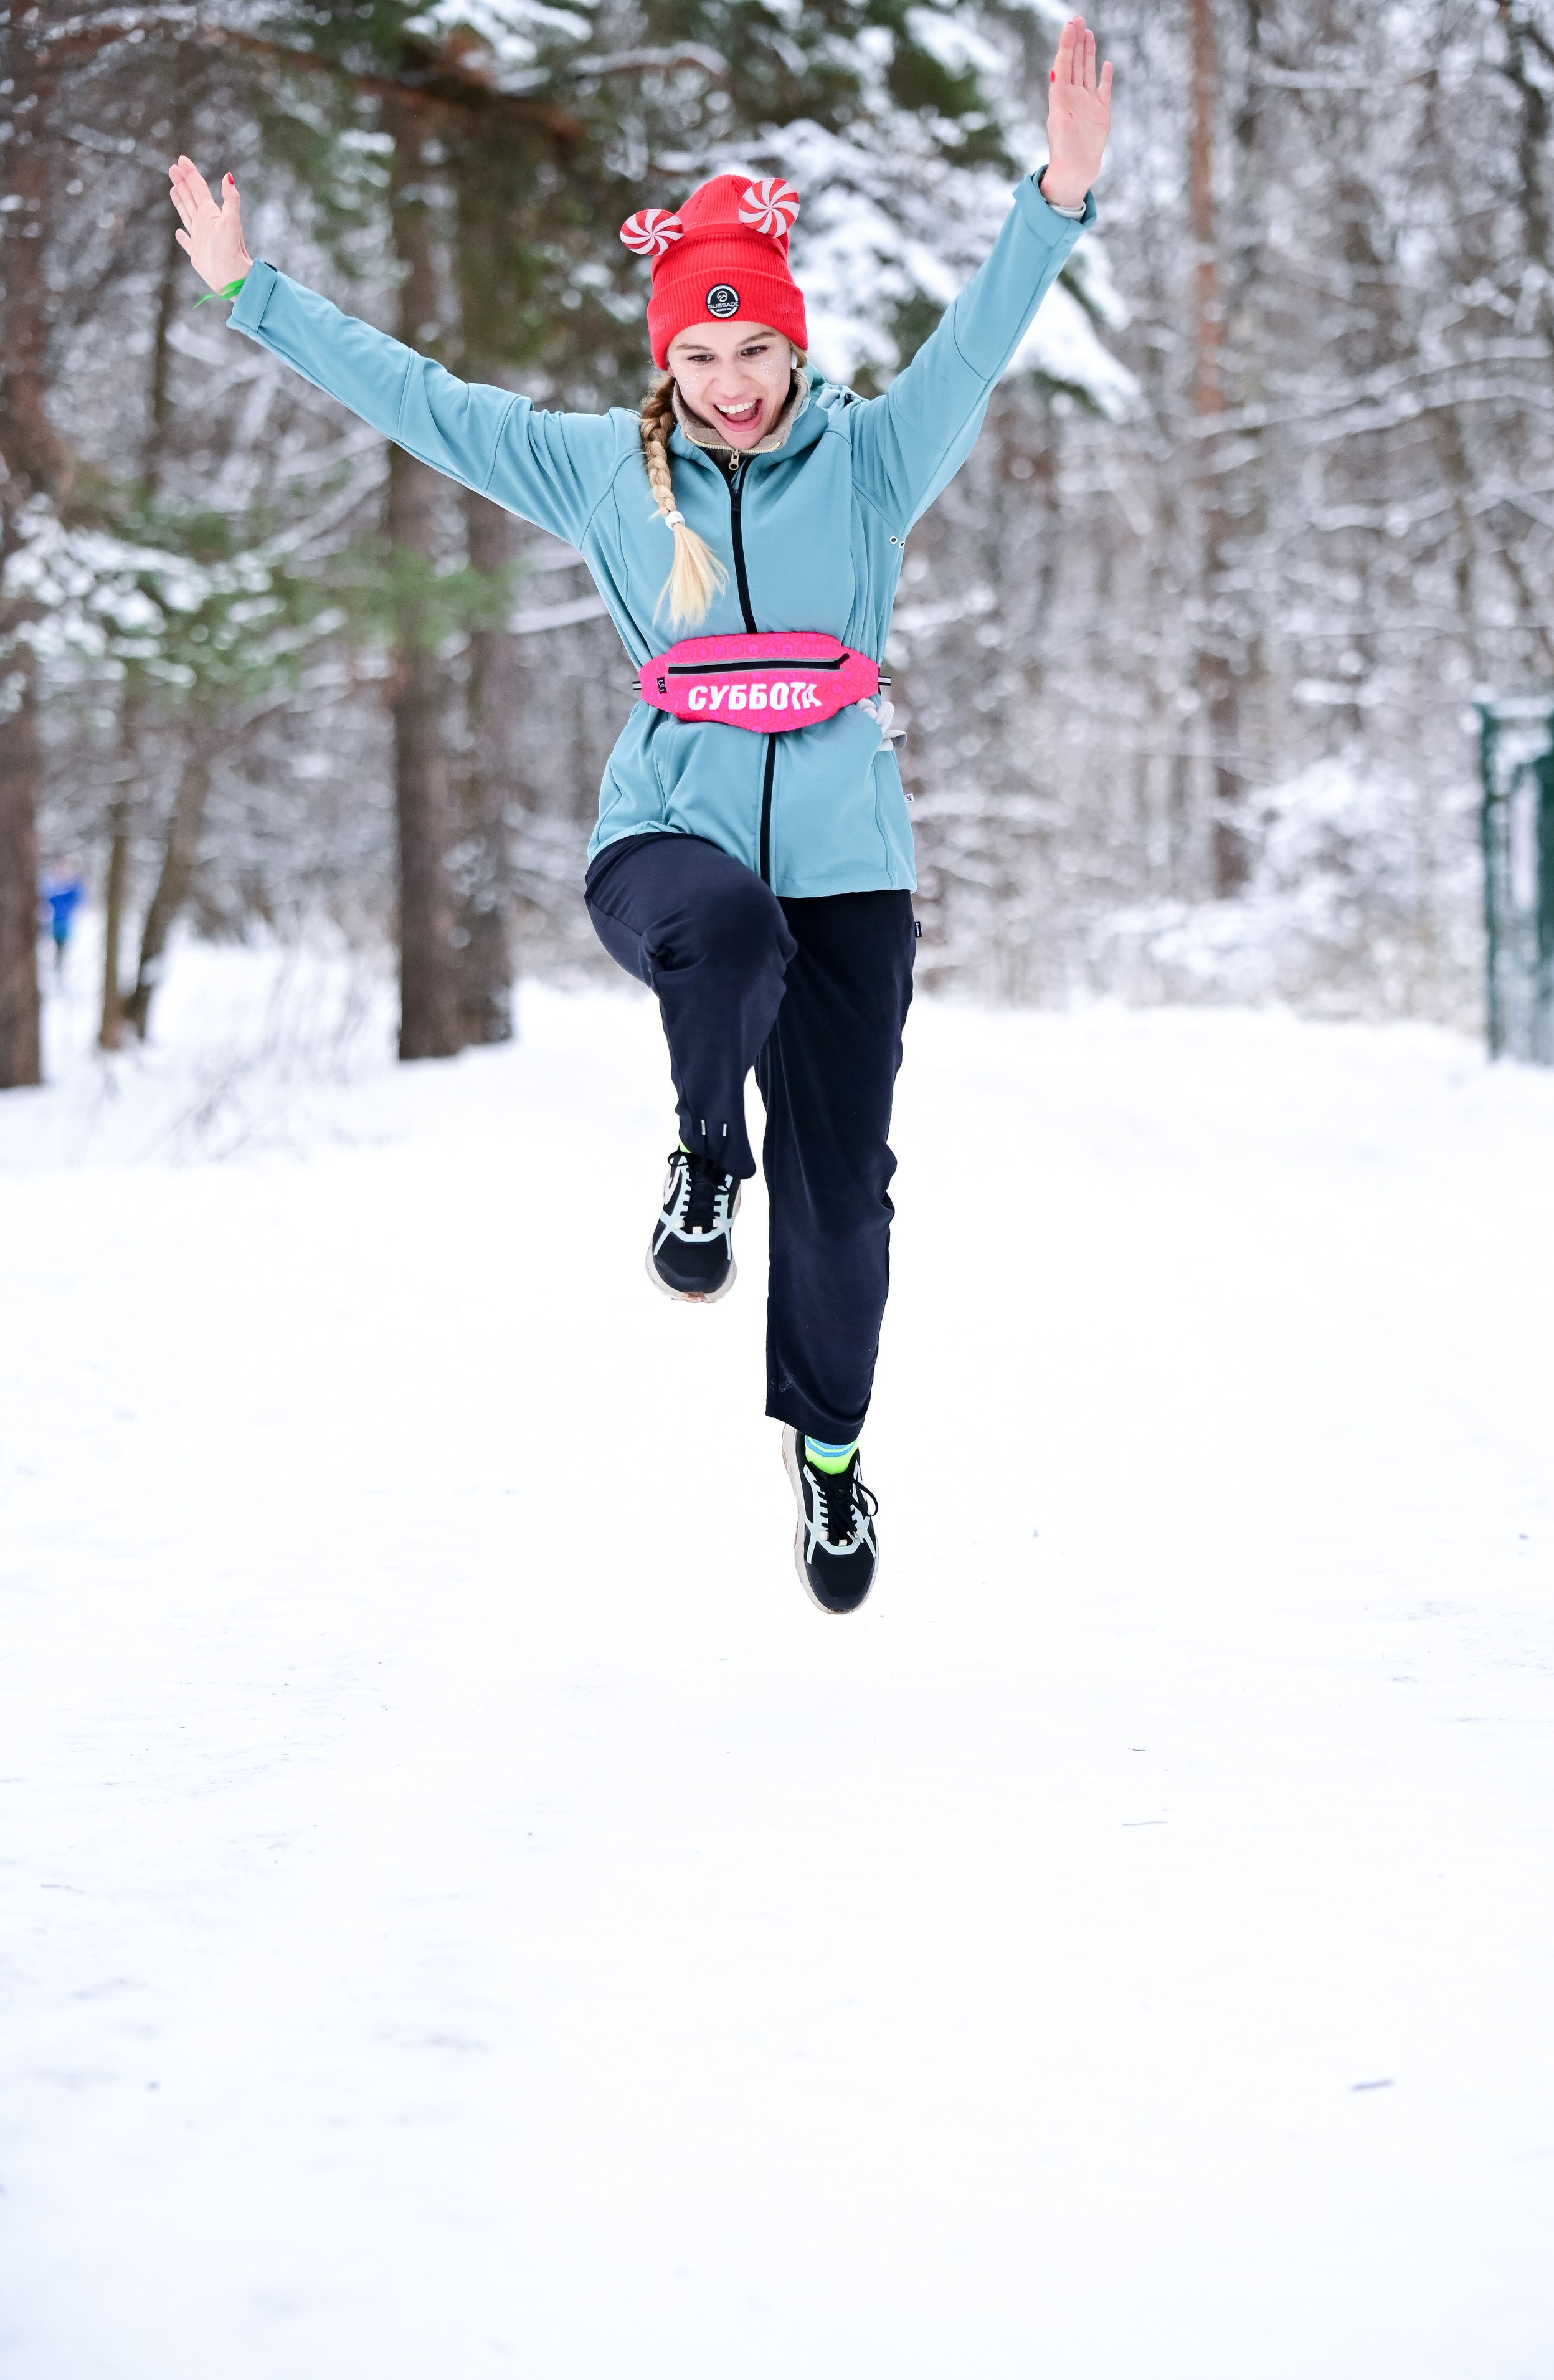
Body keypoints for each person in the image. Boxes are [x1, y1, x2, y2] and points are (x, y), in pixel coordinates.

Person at [168, 22, 1112, 1614]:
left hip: (850, 879)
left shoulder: (873, 463)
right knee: (723, 932)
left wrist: (1055, 201)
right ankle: (696, 1156)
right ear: (663, 363)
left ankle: (827, 1458)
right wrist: (254, 294)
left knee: (842, 1195)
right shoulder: (607, 474)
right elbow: (420, 398)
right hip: (664, 845)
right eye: (700, 357)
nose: (732, 386)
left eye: (755, 355)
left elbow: (979, 336)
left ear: (794, 351)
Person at [40, 862, 85, 979]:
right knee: (56, 948)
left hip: (65, 924)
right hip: (53, 923)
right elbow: (47, 899)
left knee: (62, 949)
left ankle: (61, 972)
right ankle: (57, 971)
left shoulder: (71, 886)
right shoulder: (53, 885)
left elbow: (78, 898)